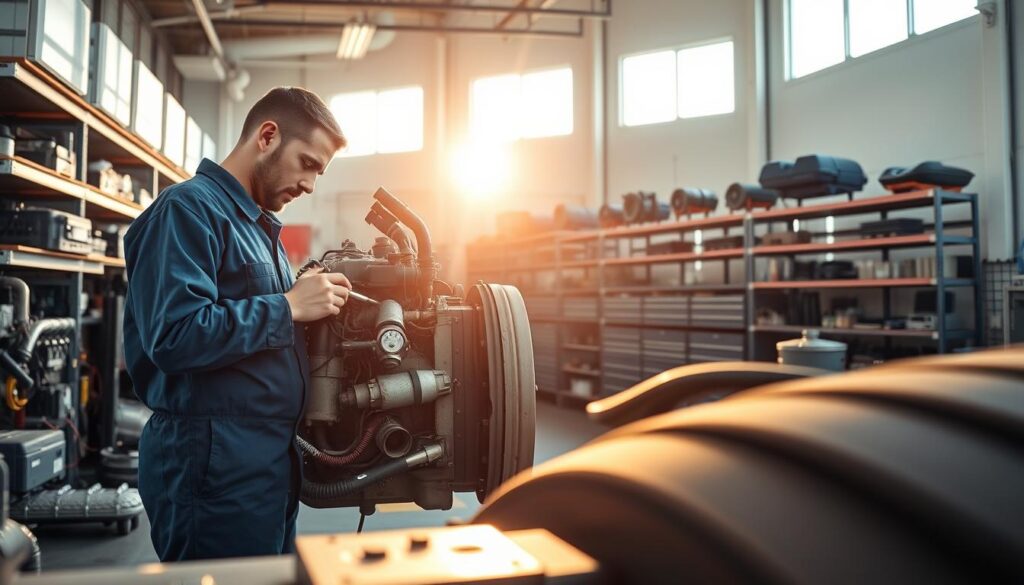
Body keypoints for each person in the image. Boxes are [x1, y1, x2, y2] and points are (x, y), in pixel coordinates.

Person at [123, 87, 352, 561]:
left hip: (265, 467)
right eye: (308, 163)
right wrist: (287, 307)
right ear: (267, 136)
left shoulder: (257, 227)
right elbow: (175, 335)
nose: (311, 185)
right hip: (212, 470)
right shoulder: (188, 209)